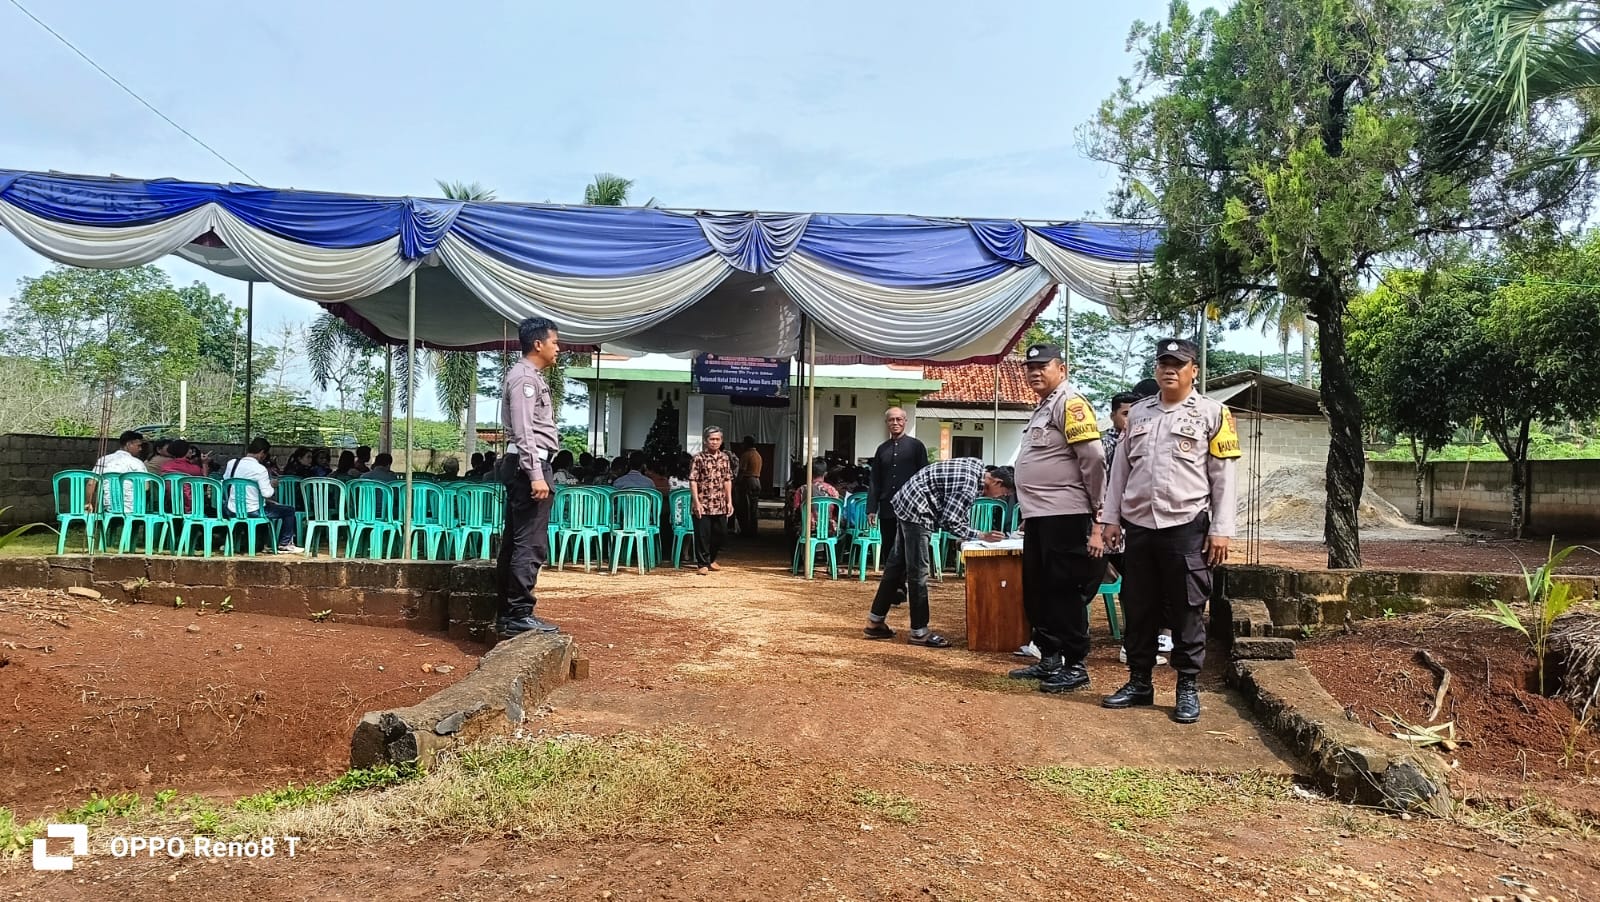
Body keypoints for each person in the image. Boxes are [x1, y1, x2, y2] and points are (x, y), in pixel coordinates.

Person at [1100, 338, 1240, 724]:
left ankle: (1187, 687)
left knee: (1187, 609)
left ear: (1194, 369)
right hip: (1140, 527)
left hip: (1186, 527)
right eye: (1163, 362)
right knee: (1139, 605)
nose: (1169, 369)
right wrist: (1110, 518)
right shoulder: (1139, 414)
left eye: (1178, 364)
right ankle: (1139, 682)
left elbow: (1224, 477)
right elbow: (1120, 474)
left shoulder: (1214, 414)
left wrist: (1221, 529)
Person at [1004, 343, 1109, 694]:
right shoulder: (1042, 408)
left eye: (1042, 366)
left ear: (1061, 370)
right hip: (1039, 517)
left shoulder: (1071, 404)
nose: (1034, 372)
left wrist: (1099, 510)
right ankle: (1049, 656)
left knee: (1064, 591)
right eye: (1030, 367)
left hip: (1066, 513)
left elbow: (1093, 458)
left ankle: (1075, 663)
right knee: (1038, 589)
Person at [863, 459, 1011, 648]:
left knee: (896, 566)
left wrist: (965, 533)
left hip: (906, 501)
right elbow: (951, 521)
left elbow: (954, 507)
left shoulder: (976, 466)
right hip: (918, 511)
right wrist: (981, 535)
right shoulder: (968, 486)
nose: (999, 498)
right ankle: (919, 631)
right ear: (997, 482)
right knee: (919, 573)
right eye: (1004, 494)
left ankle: (875, 621)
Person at [496, 316, 563, 637]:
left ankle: (509, 612)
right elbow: (524, 430)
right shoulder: (525, 379)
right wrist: (536, 474)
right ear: (538, 344)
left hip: (526, 464)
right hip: (529, 465)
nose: (558, 349)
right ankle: (518, 613)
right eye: (555, 342)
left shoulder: (528, 376)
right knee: (530, 543)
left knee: (516, 541)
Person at [866, 408, 928, 603]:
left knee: (908, 549)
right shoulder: (881, 449)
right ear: (887, 423)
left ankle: (903, 585)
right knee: (889, 548)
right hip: (887, 507)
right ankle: (894, 587)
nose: (895, 423)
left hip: (910, 508)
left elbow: (924, 477)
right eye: (891, 420)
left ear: (905, 422)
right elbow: (875, 480)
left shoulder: (916, 447)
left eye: (899, 419)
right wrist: (871, 508)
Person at [222, 438, 303, 553]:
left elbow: (226, 481)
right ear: (261, 453)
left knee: (269, 506)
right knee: (289, 510)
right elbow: (267, 493)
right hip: (253, 510)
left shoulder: (232, 463)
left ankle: (232, 542)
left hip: (231, 509)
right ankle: (285, 543)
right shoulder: (260, 469)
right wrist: (272, 485)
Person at [689, 426, 734, 575]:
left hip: (719, 503)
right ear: (705, 441)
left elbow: (727, 480)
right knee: (703, 534)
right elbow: (693, 480)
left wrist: (729, 501)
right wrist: (696, 502)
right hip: (703, 502)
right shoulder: (698, 458)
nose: (714, 442)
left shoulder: (725, 458)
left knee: (721, 534)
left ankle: (711, 559)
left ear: (721, 441)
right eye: (711, 439)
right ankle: (702, 563)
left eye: (717, 439)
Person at [87, 430, 148, 513]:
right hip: (132, 508)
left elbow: (91, 483)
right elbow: (145, 487)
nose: (140, 449)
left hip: (108, 507)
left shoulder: (103, 460)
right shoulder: (137, 463)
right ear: (128, 444)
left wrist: (89, 503)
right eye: (139, 446)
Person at [736, 436, 763, 536]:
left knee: (744, 507)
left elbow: (742, 470)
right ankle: (753, 531)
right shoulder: (757, 455)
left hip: (748, 481)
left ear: (746, 444)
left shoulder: (746, 455)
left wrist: (737, 482)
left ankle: (745, 531)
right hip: (757, 480)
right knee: (753, 508)